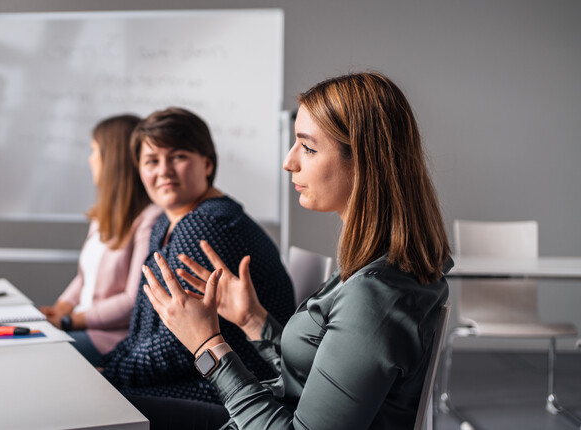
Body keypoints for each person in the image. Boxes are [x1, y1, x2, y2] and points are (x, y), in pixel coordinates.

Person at [142, 73, 452, 429]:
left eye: (307, 147)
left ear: (364, 162)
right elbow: (314, 382)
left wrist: (207, 344)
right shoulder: (370, 269)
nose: (290, 162)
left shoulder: (375, 295)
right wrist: (251, 319)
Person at [99, 107, 295, 406]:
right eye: (151, 160)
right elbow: (143, 327)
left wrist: (111, 374)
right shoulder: (167, 221)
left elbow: (179, 344)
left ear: (207, 163)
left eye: (177, 156)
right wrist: (109, 366)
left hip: (231, 388)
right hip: (198, 375)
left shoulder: (207, 224)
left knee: (100, 402)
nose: (163, 170)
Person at [39, 115, 162, 365]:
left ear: (112, 159)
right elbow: (85, 277)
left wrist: (69, 321)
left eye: (94, 150)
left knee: (40, 356)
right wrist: (61, 307)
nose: (90, 159)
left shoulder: (150, 219)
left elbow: (133, 300)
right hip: (79, 326)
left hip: (110, 339)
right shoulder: (103, 214)